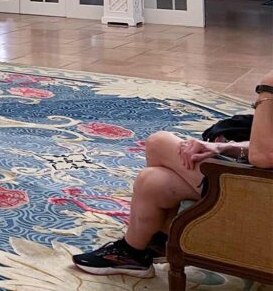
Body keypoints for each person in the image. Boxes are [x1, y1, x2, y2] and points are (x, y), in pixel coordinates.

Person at [73, 69, 273, 278]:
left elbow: (263, 157)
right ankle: (138, 251)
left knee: (158, 143)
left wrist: (267, 91)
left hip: (261, 197)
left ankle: (160, 238)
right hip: (260, 187)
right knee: (152, 181)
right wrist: (225, 148)